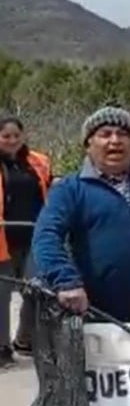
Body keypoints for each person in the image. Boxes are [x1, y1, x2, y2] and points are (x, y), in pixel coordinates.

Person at [33, 107, 130, 324]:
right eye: (105, 134)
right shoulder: (70, 189)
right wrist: (66, 281)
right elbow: (46, 236)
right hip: (100, 313)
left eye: (123, 134)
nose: (115, 140)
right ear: (88, 145)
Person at [0, 117, 51, 364]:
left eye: (15, 135)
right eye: (5, 136)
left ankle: (25, 339)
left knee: (37, 289)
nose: (11, 140)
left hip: (34, 236)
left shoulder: (38, 162)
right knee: (2, 295)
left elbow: (50, 192)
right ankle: (2, 348)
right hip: (2, 239)